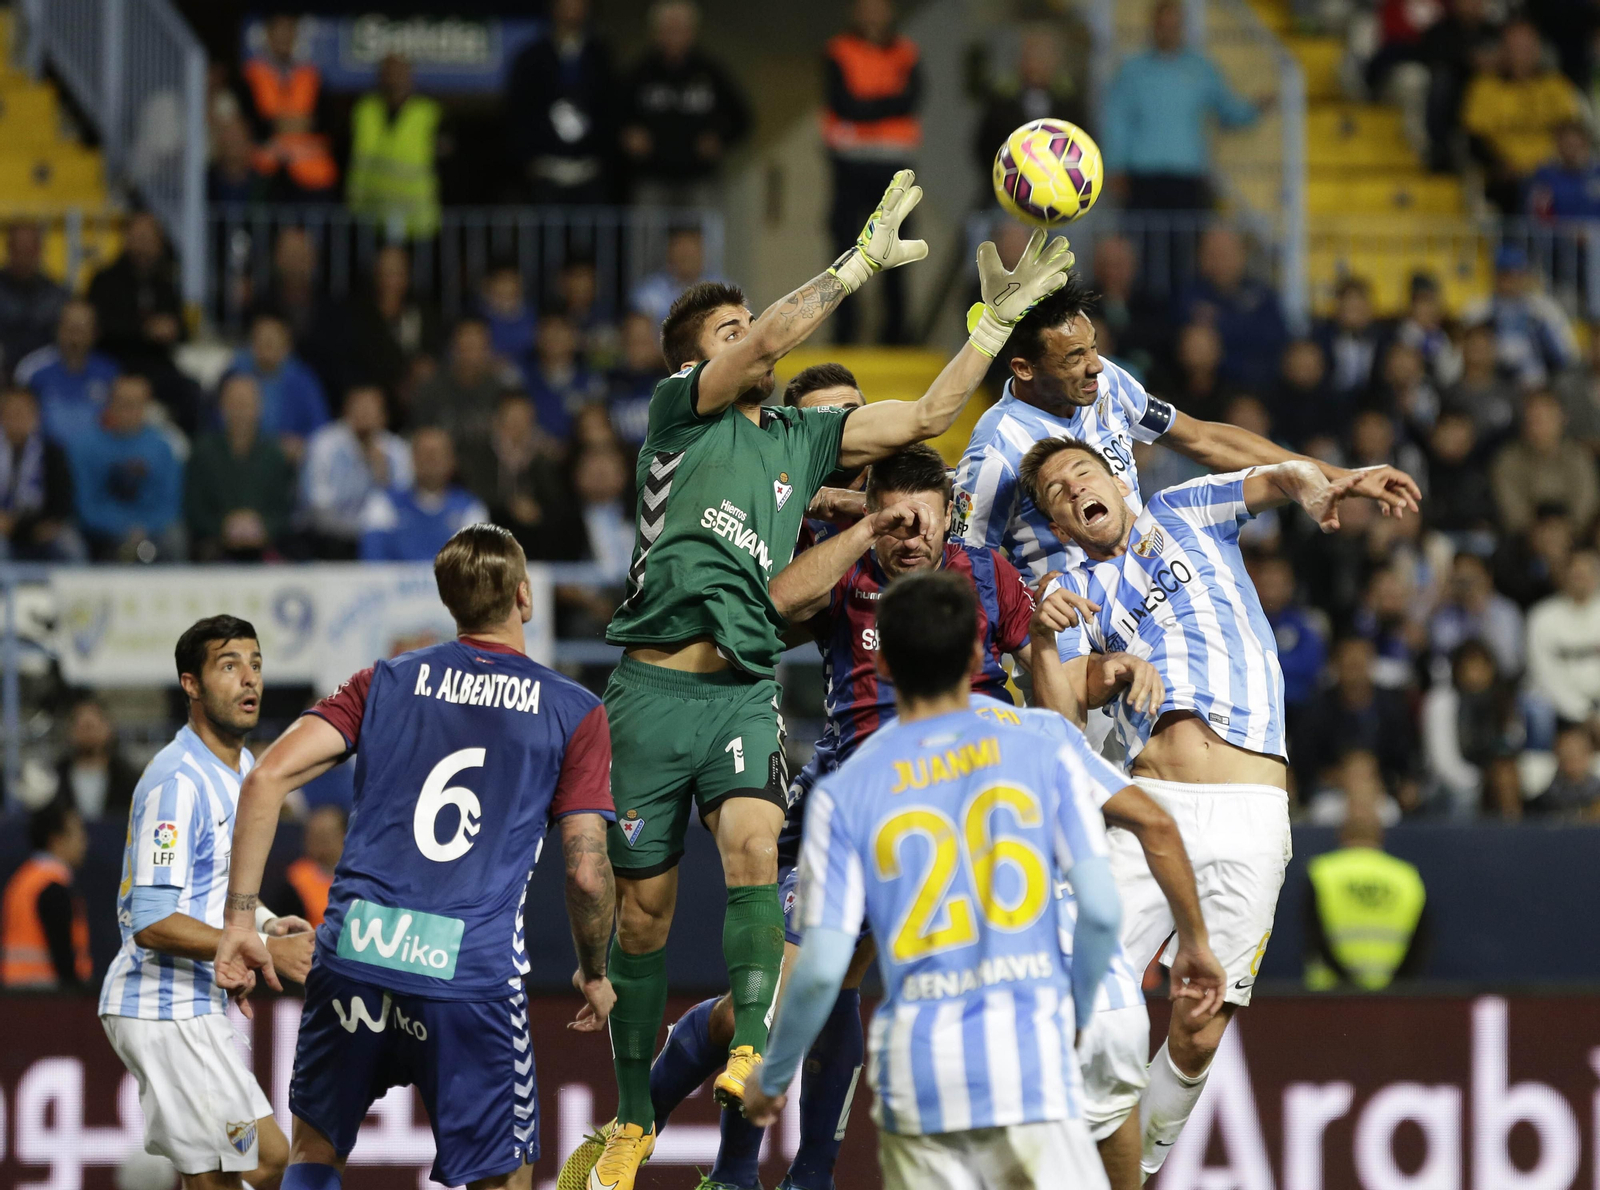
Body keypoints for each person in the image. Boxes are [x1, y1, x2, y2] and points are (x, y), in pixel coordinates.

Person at [581, 174, 1070, 1190]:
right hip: (649, 686)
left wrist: (994, 320)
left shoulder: (799, 444)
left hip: (741, 690)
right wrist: (852, 263)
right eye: (729, 328)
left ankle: (754, 1065)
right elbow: (763, 349)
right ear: (692, 360)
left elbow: (933, 410)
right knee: (644, 917)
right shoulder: (679, 416)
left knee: (759, 852)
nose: (751, 333)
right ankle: (631, 1114)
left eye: (746, 321)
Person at [214, 524, 618, 1190]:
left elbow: (263, 780)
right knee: (505, 1177)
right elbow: (584, 869)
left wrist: (239, 921)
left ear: (449, 601)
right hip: (465, 976)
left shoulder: (387, 681)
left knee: (312, 1154)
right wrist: (594, 969)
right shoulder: (573, 710)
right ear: (525, 597)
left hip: (354, 954)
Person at [1021, 440, 1370, 1180]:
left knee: (1200, 1029)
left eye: (1080, 473)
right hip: (1145, 807)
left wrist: (1318, 486)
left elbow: (1279, 476)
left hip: (1250, 811)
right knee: (1084, 1006)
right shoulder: (1066, 589)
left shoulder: (1185, 511)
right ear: (1058, 523)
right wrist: (1053, 645)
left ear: (1117, 480)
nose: (1071, 489)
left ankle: (1133, 1174)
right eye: (1054, 492)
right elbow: (1056, 715)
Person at [738, 569, 1124, 1190]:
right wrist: (1075, 1014)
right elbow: (1103, 912)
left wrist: (775, 1074)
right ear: (977, 653)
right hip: (1029, 1057)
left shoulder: (847, 791)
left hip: (921, 1067)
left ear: (883, 664)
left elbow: (821, 965)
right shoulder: (1046, 742)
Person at [953, 274, 1419, 585]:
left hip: (1145, 608)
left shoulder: (1108, 382)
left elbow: (1204, 439)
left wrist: (1341, 476)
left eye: (1093, 348)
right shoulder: (997, 449)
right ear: (1024, 368)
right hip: (1073, 646)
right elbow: (963, 567)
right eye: (1075, 357)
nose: (1095, 365)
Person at [99, 616, 314, 1189]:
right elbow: (150, 922)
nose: (249, 680)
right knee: (266, 1161)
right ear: (190, 684)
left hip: (193, 1006)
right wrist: (263, 947)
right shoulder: (177, 782)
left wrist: (266, 919)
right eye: (229, 665)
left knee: (218, 1176)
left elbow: (214, 880)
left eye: (257, 664)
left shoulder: (242, 769)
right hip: (160, 1007)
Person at [823, 0, 922, 345]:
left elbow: (910, 100)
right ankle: (844, 333)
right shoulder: (838, 50)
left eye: (879, 8)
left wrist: (865, 107)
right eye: (866, 8)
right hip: (849, 165)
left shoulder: (907, 52)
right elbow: (841, 103)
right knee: (845, 249)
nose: (873, 16)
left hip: (895, 168)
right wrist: (885, 104)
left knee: (897, 251)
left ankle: (895, 334)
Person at [1102, 0, 1258, 212]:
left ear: (1182, 27)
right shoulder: (1132, 70)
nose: (1168, 32)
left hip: (1188, 175)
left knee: (1186, 242)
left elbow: (1227, 109)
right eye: (1163, 26)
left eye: (1173, 26)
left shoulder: (1201, 69)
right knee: (1142, 241)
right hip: (1143, 176)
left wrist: (1254, 109)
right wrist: (1115, 165)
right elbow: (1116, 121)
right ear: (1153, 27)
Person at [619, 0, 751, 208]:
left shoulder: (710, 72)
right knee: (646, 237)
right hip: (652, 176)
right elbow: (614, 115)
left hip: (699, 177)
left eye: (680, 29)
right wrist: (628, 134)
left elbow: (742, 118)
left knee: (704, 236)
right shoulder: (640, 73)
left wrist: (720, 139)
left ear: (692, 32)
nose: (674, 36)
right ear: (656, 33)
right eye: (667, 29)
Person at [86, 212, 198, 435]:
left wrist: (172, 330)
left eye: (149, 240)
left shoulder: (165, 284)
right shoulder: (104, 280)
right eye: (138, 238)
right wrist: (145, 330)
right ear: (126, 239)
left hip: (157, 366)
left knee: (192, 391)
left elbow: (184, 332)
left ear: (159, 244)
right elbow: (100, 327)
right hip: (114, 364)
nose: (143, 247)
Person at [1303, 792, 1428, 989]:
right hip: (1391, 996)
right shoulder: (1406, 877)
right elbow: (1421, 940)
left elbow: (1312, 934)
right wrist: (1396, 983)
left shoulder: (1322, 872)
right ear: (1381, 834)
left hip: (1329, 995)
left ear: (1341, 833)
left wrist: (1347, 981)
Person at [1462, 19, 1582, 213]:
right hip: (1503, 179)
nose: (1521, 54)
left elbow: (1571, 130)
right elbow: (1475, 139)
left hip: (1553, 176)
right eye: (1515, 47)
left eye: (1527, 47)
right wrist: (1500, 165)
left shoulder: (1556, 85)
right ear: (1503, 50)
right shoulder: (1484, 87)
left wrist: (1553, 166)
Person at [505, 0, 614, 204]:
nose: (572, 11)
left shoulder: (600, 55)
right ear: (554, 9)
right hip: (545, 171)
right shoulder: (531, 57)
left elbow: (610, 108)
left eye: (578, 5)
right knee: (547, 234)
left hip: (590, 170)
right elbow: (518, 111)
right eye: (566, 4)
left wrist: (604, 158)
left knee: (592, 233)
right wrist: (529, 158)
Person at [68, 373, 184, 562]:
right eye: (122, 402)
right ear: (110, 404)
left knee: (175, 537)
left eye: (135, 403)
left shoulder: (163, 448)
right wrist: (123, 528)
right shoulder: (84, 447)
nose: (128, 410)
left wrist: (144, 528)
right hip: (102, 532)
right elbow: (85, 506)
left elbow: (170, 507)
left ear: (147, 406)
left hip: (153, 531)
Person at [185, 373, 294, 562]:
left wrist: (263, 526)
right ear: (221, 407)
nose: (240, 410)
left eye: (247, 403)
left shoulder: (274, 454)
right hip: (213, 547)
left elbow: (285, 509)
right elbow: (193, 508)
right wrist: (223, 527)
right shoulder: (203, 452)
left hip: (267, 546)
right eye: (234, 403)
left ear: (259, 407)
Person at [299, 385, 413, 559]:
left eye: (371, 409)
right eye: (359, 408)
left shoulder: (397, 450)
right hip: (333, 538)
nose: (365, 415)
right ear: (346, 412)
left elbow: (406, 507)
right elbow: (316, 503)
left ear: (383, 416)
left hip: (382, 538)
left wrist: (383, 475)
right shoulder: (324, 444)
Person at [1173, 226, 1288, 394]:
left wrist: (1220, 324)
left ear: (1242, 255)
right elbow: (1180, 337)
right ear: (1200, 257)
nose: (1218, 261)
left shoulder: (1261, 294)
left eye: (1225, 254)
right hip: (1204, 385)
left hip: (1256, 384)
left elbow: (1276, 338)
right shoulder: (1189, 293)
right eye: (1211, 254)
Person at [236, 12, 338, 200]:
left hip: (311, 177)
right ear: (267, 34)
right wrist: (281, 124)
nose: (284, 37)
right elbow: (248, 120)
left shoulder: (312, 75)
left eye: (289, 30)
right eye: (278, 31)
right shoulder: (250, 75)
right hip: (265, 174)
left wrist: (288, 124)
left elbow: (327, 121)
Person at [346, 54, 442, 240]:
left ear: (410, 75)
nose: (394, 78)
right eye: (388, 72)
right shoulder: (364, 109)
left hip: (417, 221)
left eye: (400, 71)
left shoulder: (429, 111)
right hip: (369, 216)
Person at [358, 428, 487, 562]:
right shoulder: (384, 504)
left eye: (437, 454)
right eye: (424, 454)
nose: (430, 461)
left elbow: (477, 566)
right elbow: (373, 560)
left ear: (451, 461)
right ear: (412, 459)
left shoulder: (470, 509)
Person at [1, 800, 91, 989]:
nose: (85, 841)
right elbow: (64, 959)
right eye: (78, 833)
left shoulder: (24, 880)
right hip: (47, 1001)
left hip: (16, 997)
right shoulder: (52, 887)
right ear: (56, 840)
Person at [1461, 246, 1578, 389]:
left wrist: (1541, 337)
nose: (1512, 280)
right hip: (1493, 386)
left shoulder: (1545, 309)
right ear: (1495, 276)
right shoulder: (1478, 309)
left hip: (1539, 385)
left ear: (1525, 275)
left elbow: (1566, 355)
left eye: (1517, 274)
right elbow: (1464, 353)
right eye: (1506, 274)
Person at [15, 299, 121, 447]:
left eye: (81, 330)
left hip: (95, 456)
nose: (75, 338)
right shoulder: (32, 369)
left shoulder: (110, 372)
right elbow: (15, 420)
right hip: (44, 458)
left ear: (95, 333)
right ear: (57, 330)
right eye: (70, 329)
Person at [1490, 389, 1598, 535]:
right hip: (1524, 543)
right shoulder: (1507, 460)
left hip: (1576, 540)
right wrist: (1542, 535)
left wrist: (1565, 533)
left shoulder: (1580, 457)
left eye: (1545, 418)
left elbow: (1587, 506)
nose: (1538, 425)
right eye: (1532, 419)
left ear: (1563, 418)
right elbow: (1513, 513)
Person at [232, 314, 329, 466]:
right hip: (243, 457)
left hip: (290, 463)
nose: (266, 348)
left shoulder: (303, 380)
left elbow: (321, 430)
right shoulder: (236, 374)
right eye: (261, 341)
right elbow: (219, 422)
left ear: (286, 347)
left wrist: (302, 445)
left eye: (272, 342)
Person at [411, 318, 516, 459]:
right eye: (466, 347)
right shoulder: (431, 390)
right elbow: (420, 437)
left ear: (488, 350)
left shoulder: (501, 391)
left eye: (477, 347)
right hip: (444, 470)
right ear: (453, 348)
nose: (471, 355)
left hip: (489, 469)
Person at [0, 386, 82, 561]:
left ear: (36, 415)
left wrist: (49, 524)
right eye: (11, 412)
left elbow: (63, 498)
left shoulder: (52, 452)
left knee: (71, 547)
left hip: (42, 526)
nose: (17, 418)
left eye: (23, 411)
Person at [1526, 550, 1600, 730]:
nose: (1581, 580)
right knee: (1536, 707)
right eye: (1576, 574)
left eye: (1587, 573)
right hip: (1557, 708)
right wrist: (1583, 713)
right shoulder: (1542, 616)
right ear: (1564, 576)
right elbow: (1545, 674)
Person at [55, 695, 141, 820]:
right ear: (70, 731)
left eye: (92, 726)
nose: (88, 734)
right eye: (82, 727)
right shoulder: (55, 779)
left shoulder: (128, 779)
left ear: (108, 729)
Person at [526, 310, 606, 442]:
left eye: (561, 331)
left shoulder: (591, 382)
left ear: (574, 338)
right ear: (538, 338)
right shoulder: (522, 380)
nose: (554, 338)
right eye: (548, 331)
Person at [0, 220, 67, 377]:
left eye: (29, 250)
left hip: (46, 375)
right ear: (9, 249)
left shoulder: (57, 295)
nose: (24, 256)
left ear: (39, 251)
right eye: (18, 249)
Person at [267, 805, 345, 930]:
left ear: (344, 836)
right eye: (313, 836)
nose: (319, 843)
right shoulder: (294, 879)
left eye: (325, 836)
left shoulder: (361, 879)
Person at [630, 225, 722, 327]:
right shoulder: (647, 294)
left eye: (691, 250)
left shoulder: (723, 291)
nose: (686, 256)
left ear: (703, 252)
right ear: (669, 252)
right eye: (681, 250)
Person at [1528, 119, 1600, 221]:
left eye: (1577, 146)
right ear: (1559, 146)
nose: (1573, 152)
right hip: (1559, 234)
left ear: (1586, 144)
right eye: (1568, 146)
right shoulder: (1546, 177)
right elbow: (1540, 217)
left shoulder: (1597, 173)